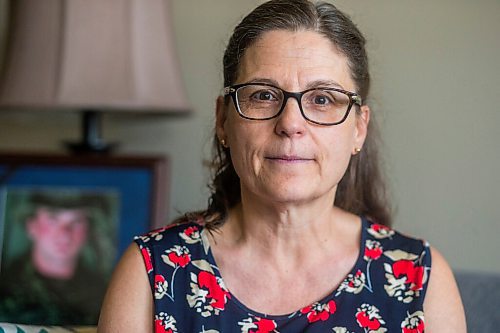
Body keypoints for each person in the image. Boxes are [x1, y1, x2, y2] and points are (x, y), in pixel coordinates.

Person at [98, 0, 466, 331]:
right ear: (224, 121)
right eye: (263, 95)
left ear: (359, 128)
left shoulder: (421, 280)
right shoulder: (151, 273)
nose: (291, 123)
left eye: (322, 99)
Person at [0, 191, 108, 325]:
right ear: (31, 225)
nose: (64, 233)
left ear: (88, 230)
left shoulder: (106, 293)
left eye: (77, 221)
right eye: (52, 219)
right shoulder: (6, 286)